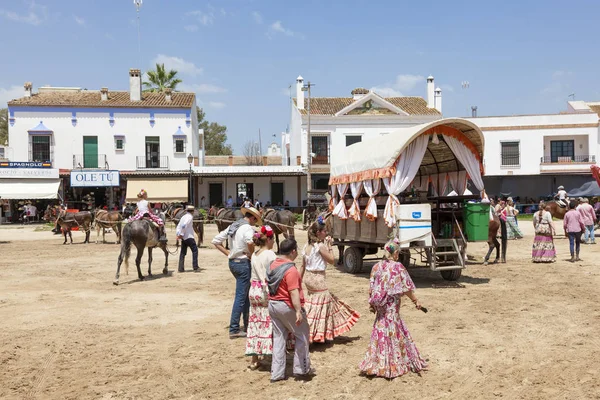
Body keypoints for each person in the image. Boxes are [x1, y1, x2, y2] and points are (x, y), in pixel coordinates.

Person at [359, 238, 427, 379]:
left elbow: (371, 289)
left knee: (379, 333)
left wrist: (372, 305)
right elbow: (406, 287)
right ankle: (394, 364)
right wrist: (416, 301)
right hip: (392, 310)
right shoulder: (398, 267)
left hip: (381, 310)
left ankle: (377, 363)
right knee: (394, 333)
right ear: (395, 253)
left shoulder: (376, 267)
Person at [301, 217, 360, 343]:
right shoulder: (320, 246)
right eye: (324, 231)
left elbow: (302, 266)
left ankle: (319, 333)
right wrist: (329, 246)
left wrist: (298, 281)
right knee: (320, 306)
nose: (326, 233)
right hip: (318, 278)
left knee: (315, 304)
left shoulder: (307, 246)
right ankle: (309, 333)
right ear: (318, 233)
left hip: (308, 278)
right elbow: (332, 260)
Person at [267, 239, 314, 383]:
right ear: (293, 251)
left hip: (273, 304)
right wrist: (299, 311)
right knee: (302, 335)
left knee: (279, 338)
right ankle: (301, 369)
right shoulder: (291, 269)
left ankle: (277, 372)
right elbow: (293, 292)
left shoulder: (272, 264)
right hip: (287, 306)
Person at [212, 206, 262, 339]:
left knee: (244, 294)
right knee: (241, 296)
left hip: (233, 262)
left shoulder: (234, 226)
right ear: (252, 218)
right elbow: (250, 242)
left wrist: (229, 253)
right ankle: (234, 328)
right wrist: (252, 256)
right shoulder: (247, 228)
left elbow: (216, 241)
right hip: (243, 263)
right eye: (255, 220)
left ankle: (246, 324)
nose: (254, 223)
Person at [246, 225, 277, 370]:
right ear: (269, 239)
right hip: (265, 290)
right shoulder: (270, 255)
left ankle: (254, 358)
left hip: (254, 290)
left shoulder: (254, 254)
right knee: (268, 321)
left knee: (255, 321)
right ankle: (271, 353)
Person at [176, 205, 199, 272]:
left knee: (183, 252)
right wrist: (181, 234)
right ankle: (195, 266)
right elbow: (184, 225)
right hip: (189, 236)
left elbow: (179, 226)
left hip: (183, 237)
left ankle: (180, 268)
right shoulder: (190, 217)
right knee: (195, 251)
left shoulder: (183, 217)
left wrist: (178, 234)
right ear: (193, 211)